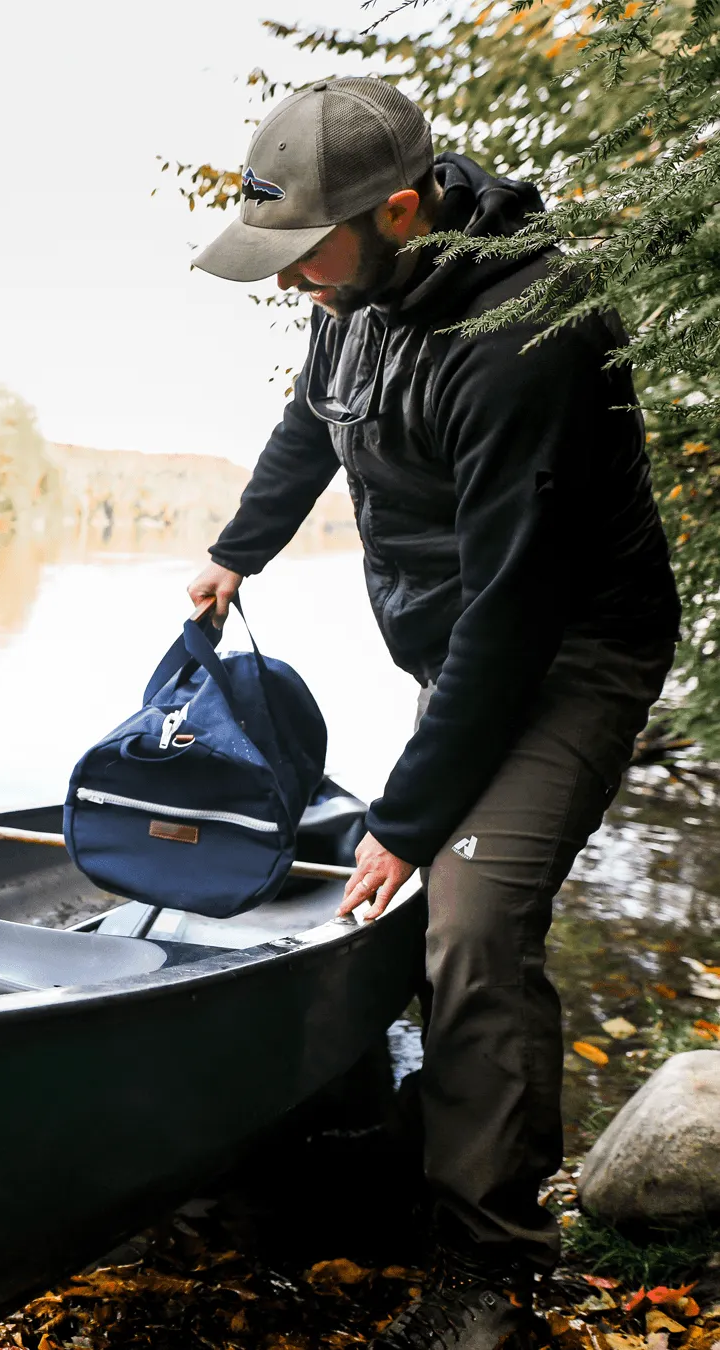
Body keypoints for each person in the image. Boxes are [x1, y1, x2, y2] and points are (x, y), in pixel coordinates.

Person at [188, 77, 680, 1350]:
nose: (294, 282)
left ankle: (498, 1270)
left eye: (306, 256)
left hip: (567, 649)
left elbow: (517, 615)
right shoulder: (355, 292)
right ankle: (404, 1141)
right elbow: (315, 422)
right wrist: (238, 551)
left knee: (468, 912)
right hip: (460, 646)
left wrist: (407, 818)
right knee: (415, 892)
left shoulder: (532, 338)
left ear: (400, 210)